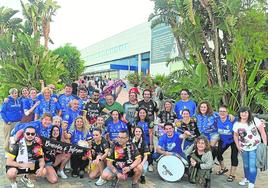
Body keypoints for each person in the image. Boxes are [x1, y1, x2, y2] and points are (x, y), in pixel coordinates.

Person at [233, 107, 267, 188]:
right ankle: (247, 178)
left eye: (245, 112)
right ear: (239, 114)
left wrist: (265, 144)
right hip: (243, 148)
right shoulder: (237, 123)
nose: (243, 114)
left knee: (252, 166)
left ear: (249, 113)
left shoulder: (255, 120)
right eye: (242, 112)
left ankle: (251, 182)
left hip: (255, 147)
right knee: (246, 165)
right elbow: (235, 135)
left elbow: (262, 132)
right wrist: (238, 146)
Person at [215, 105, 238, 182]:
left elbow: (244, 119)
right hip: (223, 140)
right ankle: (223, 168)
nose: (222, 113)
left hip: (233, 140)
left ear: (227, 112)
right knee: (218, 153)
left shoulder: (232, 119)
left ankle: (232, 174)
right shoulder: (216, 119)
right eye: (220, 111)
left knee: (234, 156)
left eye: (224, 111)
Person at [134, 108, 154, 172]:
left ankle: (150, 164)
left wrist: (151, 144)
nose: (142, 114)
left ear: (146, 114)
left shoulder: (150, 122)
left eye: (143, 113)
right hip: (137, 141)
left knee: (150, 151)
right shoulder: (135, 121)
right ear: (138, 114)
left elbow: (151, 133)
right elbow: (133, 132)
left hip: (146, 140)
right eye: (140, 113)